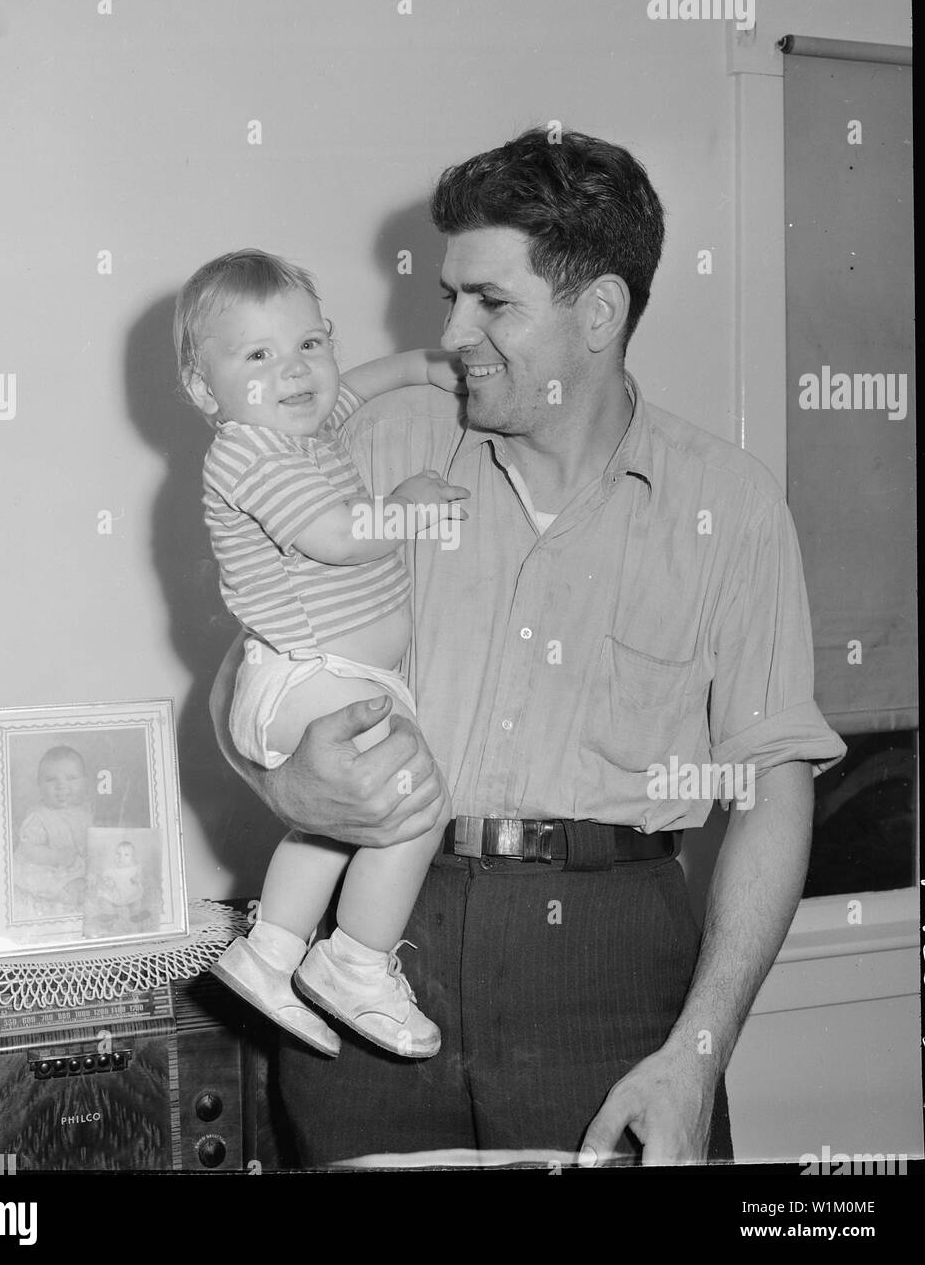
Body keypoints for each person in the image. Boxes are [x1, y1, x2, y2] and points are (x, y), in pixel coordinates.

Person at [209, 128, 846, 1167]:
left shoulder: (727, 506)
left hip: (613, 973)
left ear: (598, 311)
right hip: (372, 956)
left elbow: (774, 784)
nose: (453, 332)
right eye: (448, 297)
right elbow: (242, 678)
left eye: (490, 302)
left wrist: (695, 1050)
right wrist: (284, 789)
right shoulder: (379, 447)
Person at [175, 250, 468, 1059]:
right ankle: (356, 964)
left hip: (333, 677)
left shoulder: (296, 435)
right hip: (302, 672)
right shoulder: (247, 452)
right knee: (409, 805)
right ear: (208, 392)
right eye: (258, 355)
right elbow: (336, 537)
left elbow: (350, 391)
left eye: (311, 343)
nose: (295, 371)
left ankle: (269, 955)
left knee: (340, 823)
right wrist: (403, 508)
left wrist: (418, 366)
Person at [11, 745, 92, 919]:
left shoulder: (83, 811)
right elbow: (28, 850)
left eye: (71, 778)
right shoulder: (39, 817)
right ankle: (62, 895)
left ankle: (75, 887)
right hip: (44, 865)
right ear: (39, 785)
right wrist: (55, 856)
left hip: (72, 863)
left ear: (84, 781)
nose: (61, 786)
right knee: (44, 881)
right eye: (51, 780)